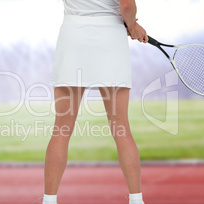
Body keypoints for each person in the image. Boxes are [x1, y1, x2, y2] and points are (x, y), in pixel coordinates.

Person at [41, 0, 148, 203]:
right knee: (121, 126)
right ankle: (136, 200)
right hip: (110, 37)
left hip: (73, 33)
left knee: (62, 128)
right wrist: (132, 26)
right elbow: (126, 5)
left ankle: (49, 200)